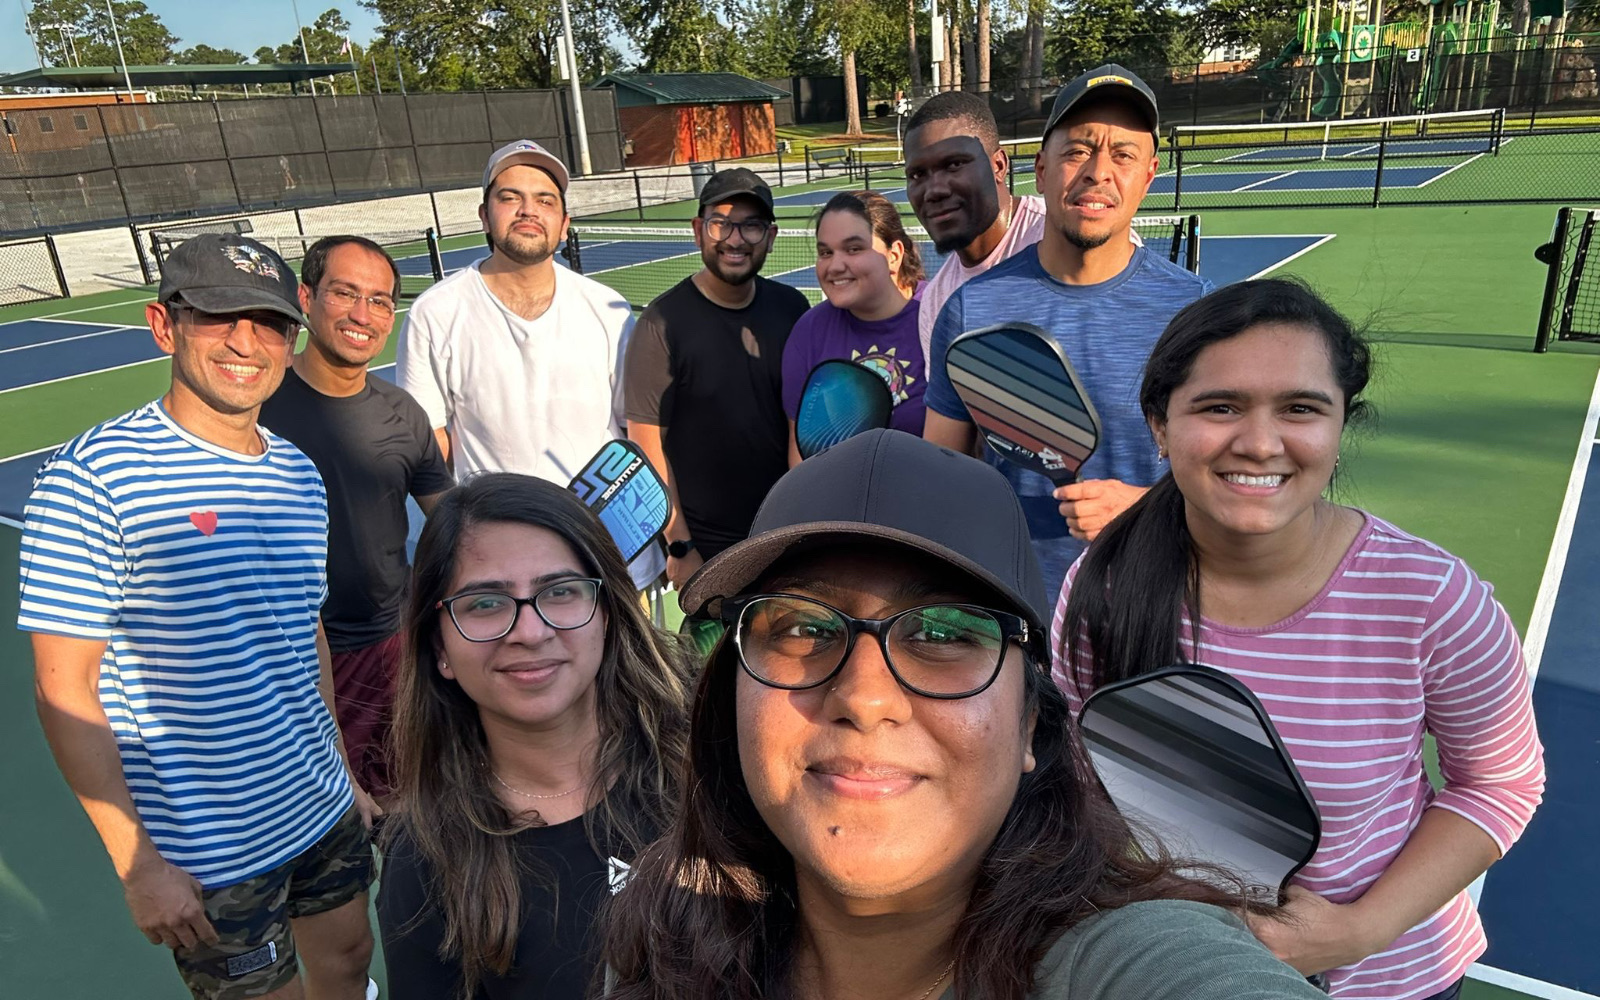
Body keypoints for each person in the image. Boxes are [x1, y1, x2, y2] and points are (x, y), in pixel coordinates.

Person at [604, 429, 1331, 1000]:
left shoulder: (1126, 958)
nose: (864, 698)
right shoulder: (666, 937)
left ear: (1028, 726)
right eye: (800, 627)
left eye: (947, 634)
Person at [1054, 279, 1546, 1000]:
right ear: (1160, 426)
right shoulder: (1100, 588)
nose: (1259, 442)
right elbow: (1077, 777)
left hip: (1393, 980)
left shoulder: (1431, 597)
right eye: (1220, 406)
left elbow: (1501, 783)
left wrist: (1358, 931)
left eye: (1300, 409)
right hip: (1191, 972)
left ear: (1342, 423)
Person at [19, 234, 380, 1000]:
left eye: (269, 322)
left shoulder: (297, 474)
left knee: (348, 966)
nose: (246, 342)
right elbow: (63, 689)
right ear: (164, 325)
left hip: (319, 808)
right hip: (211, 851)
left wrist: (341, 771)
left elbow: (303, 629)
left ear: (293, 337)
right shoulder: (92, 480)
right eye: (219, 317)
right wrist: (139, 862)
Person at [376, 474, 694, 1000]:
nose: (530, 631)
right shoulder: (423, 859)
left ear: (608, 614)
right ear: (439, 649)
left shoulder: (708, 766)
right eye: (484, 603)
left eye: (561, 591)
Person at [922, 65, 1214, 600]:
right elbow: (942, 480)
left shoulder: (1197, 312)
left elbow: (1225, 477)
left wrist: (1144, 506)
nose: (1098, 171)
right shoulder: (971, 308)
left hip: (1149, 604)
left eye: (1122, 155)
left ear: (1148, 176)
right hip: (1013, 612)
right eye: (1078, 150)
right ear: (1039, 169)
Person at [395, 140, 660, 590]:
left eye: (544, 200)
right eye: (510, 197)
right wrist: (463, 543)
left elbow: (634, 432)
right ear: (484, 216)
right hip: (501, 573)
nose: (527, 210)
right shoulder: (435, 312)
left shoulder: (606, 308)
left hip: (609, 561)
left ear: (564, 224)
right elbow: (431, 450)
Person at [259, 235, 455, 800]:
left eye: (379, 300)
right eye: (345, 293)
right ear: (306, 296)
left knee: (410, 810)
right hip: (293, 669)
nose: (362, 314)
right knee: (326, 827)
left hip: (394, 648)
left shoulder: (403, 413)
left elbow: (449, 521)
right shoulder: (256, 409)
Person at [623, 167, 810, 588]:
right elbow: (647, 443)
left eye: (751, 226)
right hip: (709, 551)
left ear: (771, 236)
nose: (735, 239)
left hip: (786, 535)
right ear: (698, 230)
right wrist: (680, 544)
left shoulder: (793, 308)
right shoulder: (660, 323)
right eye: (721, 223)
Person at [782, 190, 927, 464]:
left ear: (894, 255)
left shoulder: (940, 315)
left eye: (853, 248)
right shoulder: (809, 332)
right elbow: (801, 458)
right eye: (825, 252)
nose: (835, 266)